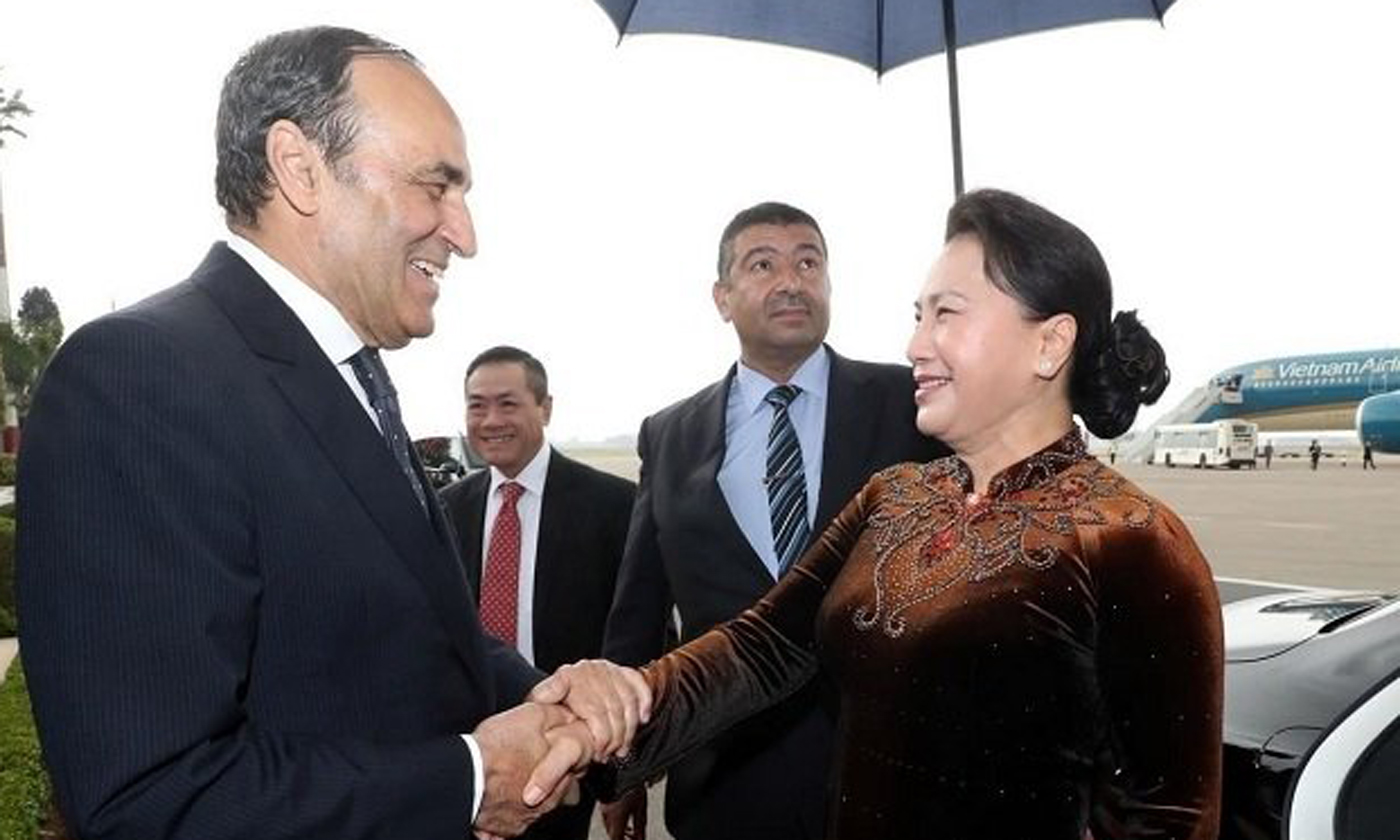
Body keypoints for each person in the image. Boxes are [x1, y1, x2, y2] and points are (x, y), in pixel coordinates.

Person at [16, 27, 644, 840]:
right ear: (299, 168)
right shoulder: (140, 377)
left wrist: (543, 695)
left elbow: (415, 633)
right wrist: (469, 779)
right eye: (436, 184)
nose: (464, 232)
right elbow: (150, 796)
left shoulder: (353, 376)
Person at [598, 189, 1224, 840]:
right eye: (917, 316)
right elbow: (761, 651)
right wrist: (590, 722)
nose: (915, 344)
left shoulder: (1132, 541)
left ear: (1050, 344)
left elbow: (1166, 818)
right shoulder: (891, 499)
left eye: (946, 314)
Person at [602, 201, 946, 840]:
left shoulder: (915, 408)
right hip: (724, 788)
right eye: (763, 264)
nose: (792, 281)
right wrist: (620, 765)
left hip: (888, 781)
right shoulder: (669, 435)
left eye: (808, 262)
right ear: (722, 297)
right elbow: (639, 615)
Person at [441, 345, 638, 840]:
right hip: (468, 758)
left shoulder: (614, 506)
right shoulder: (443, 511)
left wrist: (628, 767)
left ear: (545, 407)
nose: (490, 420)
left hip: (566, 753)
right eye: (476, 405)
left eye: (508, 403)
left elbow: (640, 635)